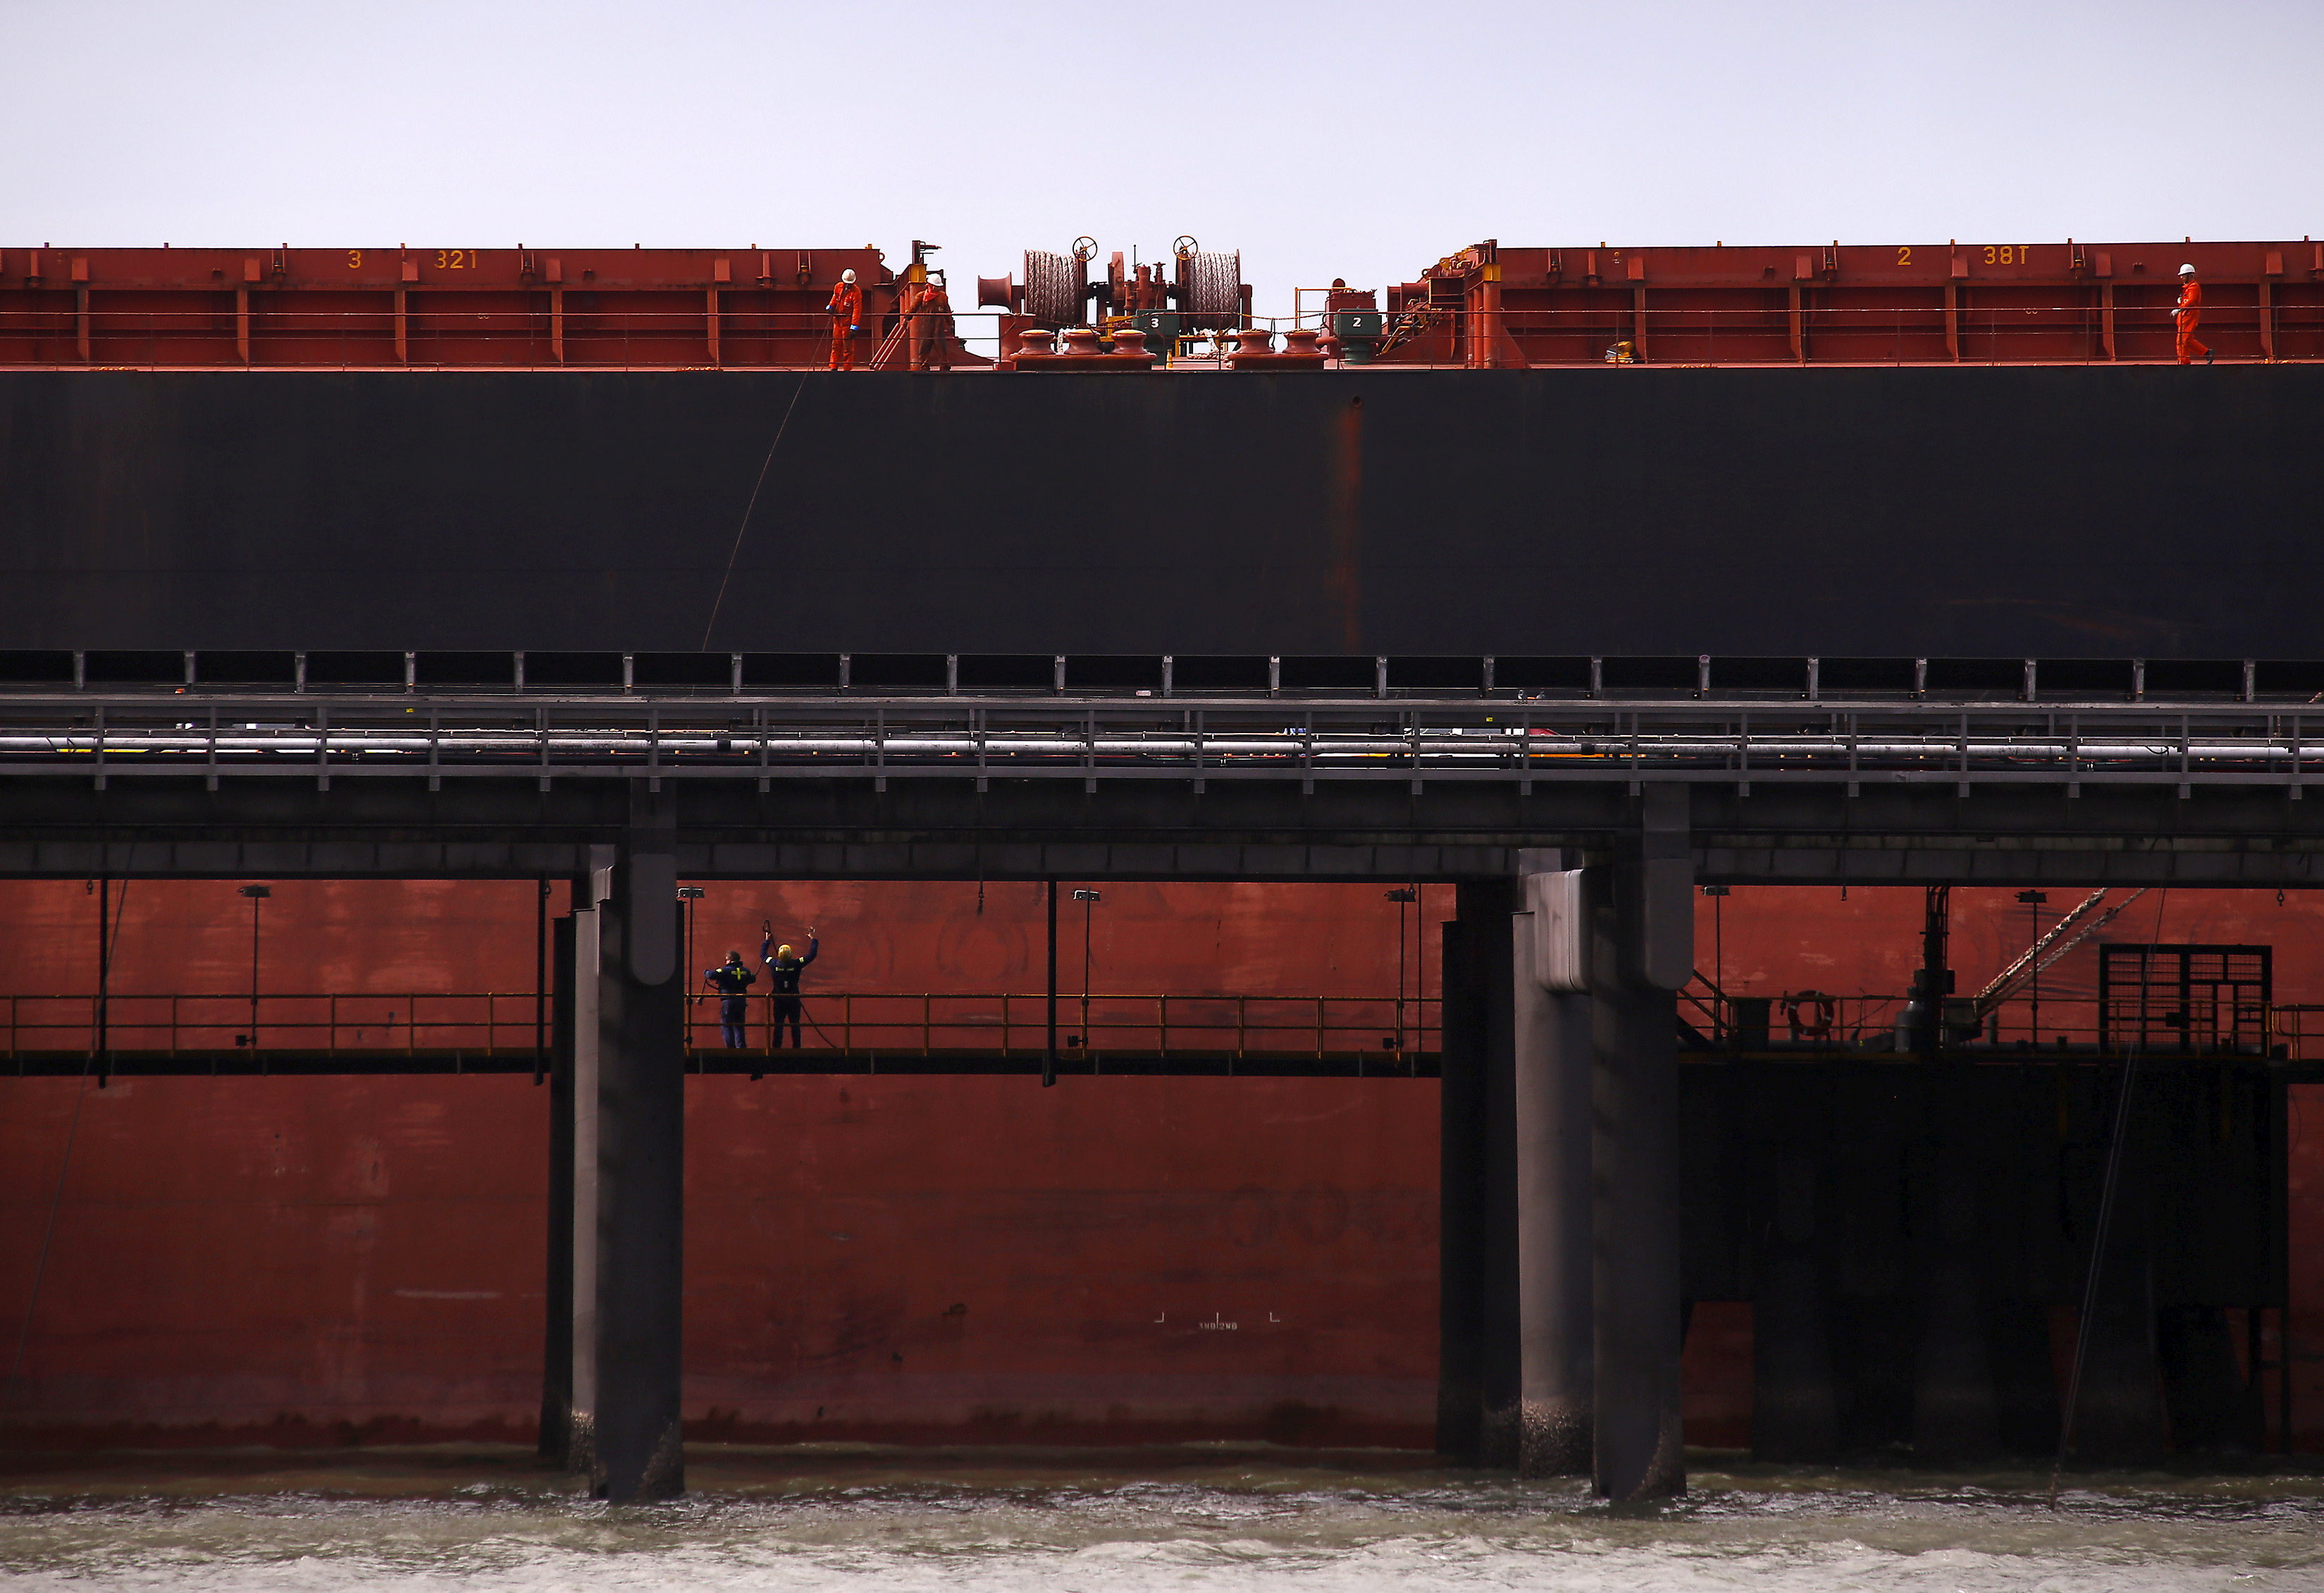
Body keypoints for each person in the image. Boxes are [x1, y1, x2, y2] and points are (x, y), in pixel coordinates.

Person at [760, 923, 820, 1048]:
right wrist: (813, 939)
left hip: (779, 999)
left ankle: (776, 1047)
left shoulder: (774, 964)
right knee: (795, 1024)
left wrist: (767, 941)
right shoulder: (797, 964)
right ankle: (796, 1047)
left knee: (778, 1025)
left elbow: (763, 956)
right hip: (793, 999)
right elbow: (811, 955)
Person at [703, 950, 755, 1048]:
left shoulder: (725, 971)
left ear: (729, 960)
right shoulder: (746, 971)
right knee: (739, 1026)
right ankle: (741, 1047)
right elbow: (753, 978)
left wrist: (706, 972)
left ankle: (730, 1048)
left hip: (728, 1001)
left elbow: (711, 975)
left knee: (727, 1025)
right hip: (741, 1001)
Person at [2173, 263, 2211, 366]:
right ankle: (2183, 362)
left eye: (2183, 275)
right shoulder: (2187, 288)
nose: (2181, 277)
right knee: (2181, 340)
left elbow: (2191, 301)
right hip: (2185, 316)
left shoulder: (2194, 287)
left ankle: (2206, 353)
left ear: (2190, 275)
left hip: (2189, 316)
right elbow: (2188, 301)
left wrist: (2179, 309)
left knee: (2186, 339)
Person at [827, 269, 863, 371]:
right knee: (836, 345)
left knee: (848, 348)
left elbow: (857, 309)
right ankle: (833, 366)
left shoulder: (856, 293)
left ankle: (847, 368)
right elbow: (836, 297)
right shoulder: (838, 287)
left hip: (847, 322)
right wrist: (831, 306)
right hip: (837, 321)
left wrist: (854, 326)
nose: (848, 285)